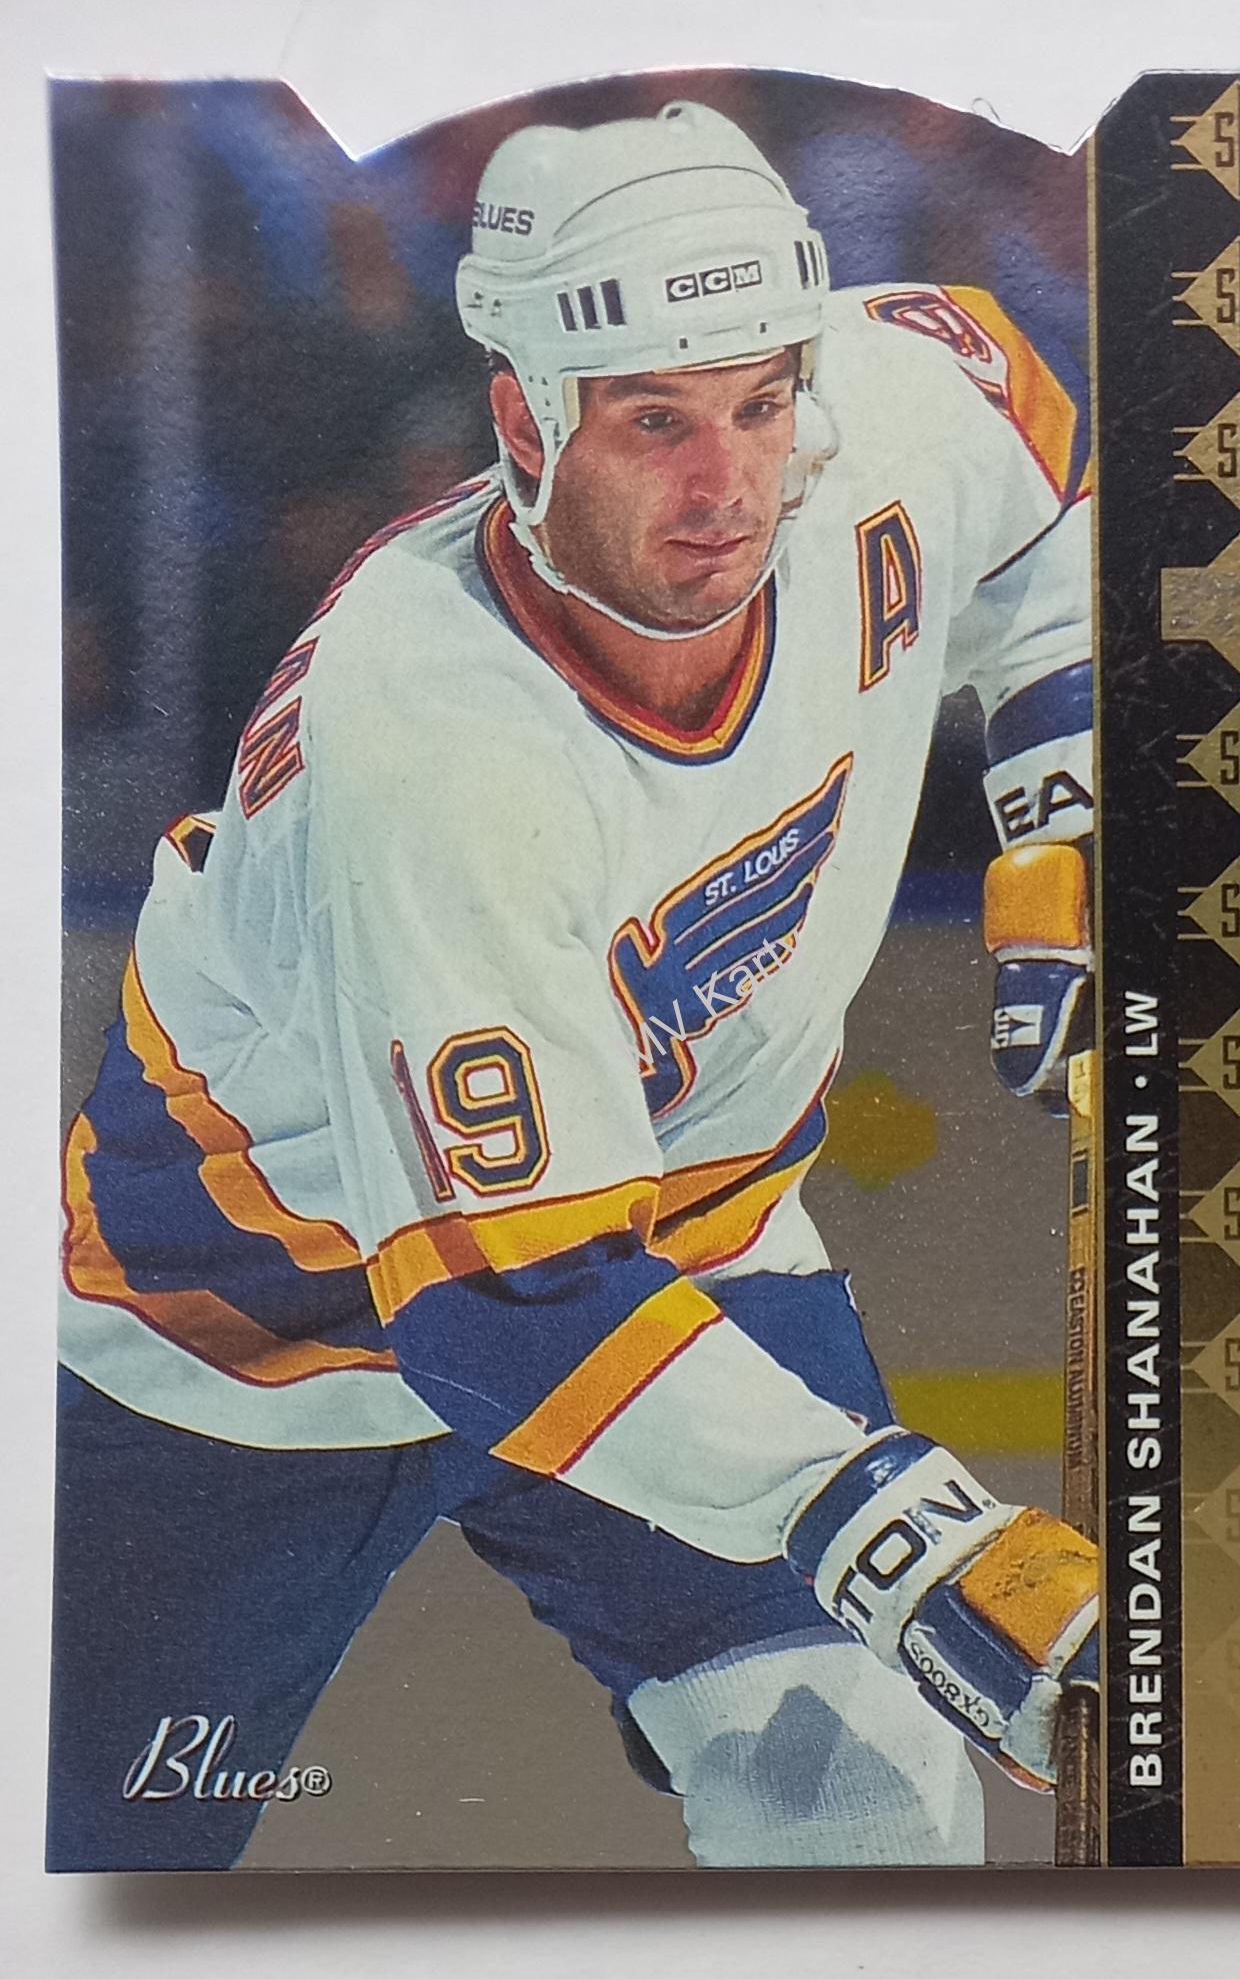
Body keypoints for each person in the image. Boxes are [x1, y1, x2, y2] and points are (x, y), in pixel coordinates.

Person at [50, 100, 1097, 1872]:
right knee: (93, 1863)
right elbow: (507, 1307)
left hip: (672, 1239)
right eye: (655, 422)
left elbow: (1051, 486)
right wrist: (912, 1541)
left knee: (863, 1803)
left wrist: (1066, 802)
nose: (728, 487)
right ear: (525, 420)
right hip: (253, 1320)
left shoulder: (881, 413)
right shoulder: (432, 736)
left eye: (759, 402)